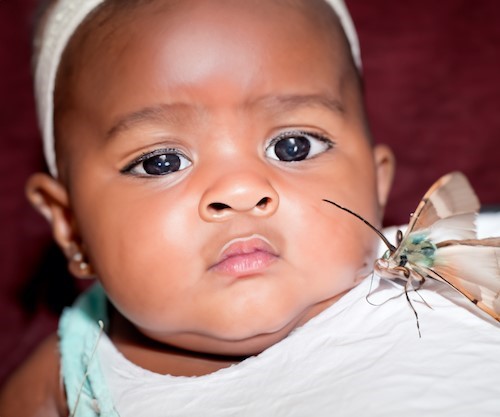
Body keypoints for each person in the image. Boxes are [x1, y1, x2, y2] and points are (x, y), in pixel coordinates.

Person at [0, 0, 499, 416]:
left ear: (376, 183)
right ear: (71, 228)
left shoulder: (454, 270)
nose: (240, 190)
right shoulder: (69, 377)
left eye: (294, 146)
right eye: (160, 162)